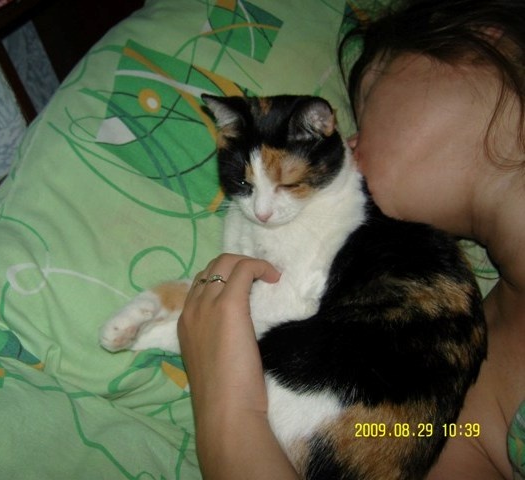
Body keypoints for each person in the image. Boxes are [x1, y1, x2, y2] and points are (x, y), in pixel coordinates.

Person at [177, 0, 525, 478]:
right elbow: (376, 443)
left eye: (368, 102)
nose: (349, 143)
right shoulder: (456, 361)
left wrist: (223, 406)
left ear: (483, 43)